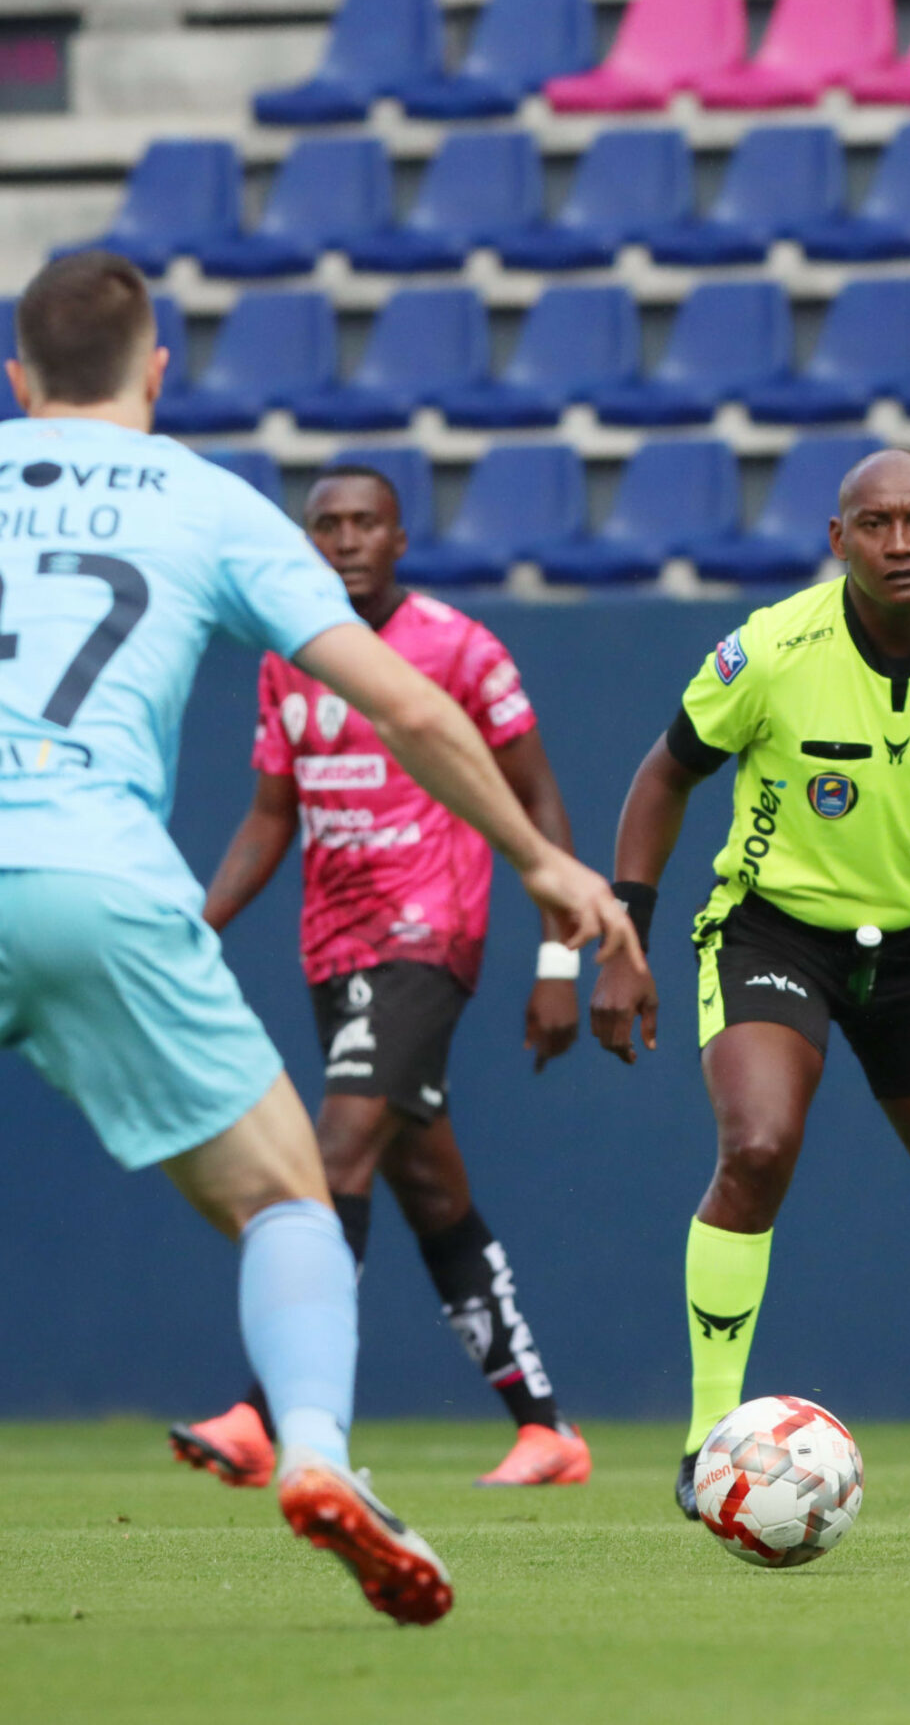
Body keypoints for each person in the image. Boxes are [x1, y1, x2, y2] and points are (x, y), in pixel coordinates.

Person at [0, 250, 635, 1624]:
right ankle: (309, 1452)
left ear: (16, 382)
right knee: (295, 1196)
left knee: (390, 1166)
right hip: (96, 879)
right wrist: (548, 873)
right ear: (158, 374)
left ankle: (495, 1421)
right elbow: (405, 712)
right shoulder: (209, 505)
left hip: (406, 934)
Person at [587, 447, 910, 1520]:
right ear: (839, 540)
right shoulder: (772, 650)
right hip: (773, 930)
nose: (901, 541)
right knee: (760, 1146)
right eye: (875, 523)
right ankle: (709, 1448)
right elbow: (664, 774)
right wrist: (621, 935)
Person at [170, 466, 591, 1492]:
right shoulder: (291, 658)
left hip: (428, 934)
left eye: (366, 523)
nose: (346, 539)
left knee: (334, 1156)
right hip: (336, 951)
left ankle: (266, 1414)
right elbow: (273, 817)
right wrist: (195, 923)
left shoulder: (458, 647)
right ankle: (545, 1432)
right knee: (431, 1186)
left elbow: (538, 801)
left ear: (400, 538)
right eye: (327, 525)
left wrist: (555, 960)